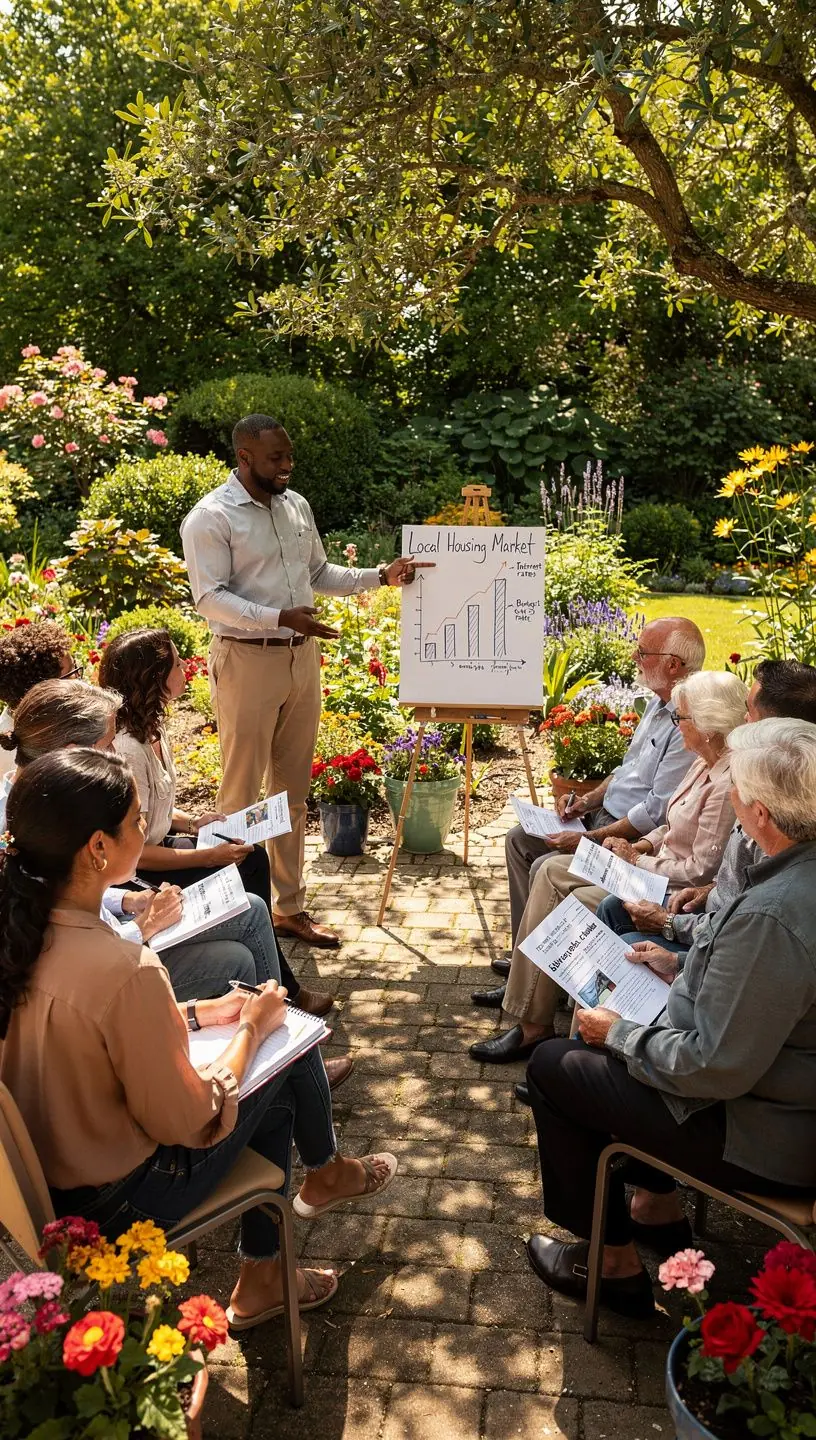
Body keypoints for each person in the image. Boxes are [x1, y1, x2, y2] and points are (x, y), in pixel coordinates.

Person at [0, 749, 396, 1326]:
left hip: (47, 1185)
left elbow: (85, 1033)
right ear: (98, 848)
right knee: (284, 1054)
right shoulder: (124, 968)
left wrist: (197, 1014)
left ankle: (303, 1211)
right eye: (137, 821)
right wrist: (252, 1030)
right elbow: (189, 1119)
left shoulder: (21, 933)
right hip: (121, 1205)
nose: (145, 830)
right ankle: (294, 1223)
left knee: (272, 1059)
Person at [524, 718, 816, 1320]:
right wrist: (680, 967)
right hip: (771, 1100)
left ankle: (612, 1266)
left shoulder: (774, 914)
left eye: (736, 791)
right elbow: (759, 999)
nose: (730, 799)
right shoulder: (793, 873)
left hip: (761, 1133)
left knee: (557, 1066)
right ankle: (656, 1208)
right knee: (603, 1052)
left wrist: (620, 1033)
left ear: (761, 813)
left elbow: (712, 1066)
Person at [0, 678, 353, 1088]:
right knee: (237, 956)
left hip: (115, 945)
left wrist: (126, 903)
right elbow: (65, 958)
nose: (116, 754)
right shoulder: (27, 826)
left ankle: (290, 1058)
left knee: (252, 910)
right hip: (104, 977)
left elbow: (78, 897)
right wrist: (144, 925)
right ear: (72, 750)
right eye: (109, 744)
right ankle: (288, 1068)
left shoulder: (46, 801)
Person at [180, 412, 431, 947]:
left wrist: (379, 577)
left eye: (289, 455)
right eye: (276, 457)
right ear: (244, 456)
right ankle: (230, 915)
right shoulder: (211, 517)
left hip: (301, 658)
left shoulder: (295, 506)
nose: (287, 465)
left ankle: (287, 909)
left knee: (291, 794)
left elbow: (318, 573)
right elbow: (209, 598)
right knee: (240, 795)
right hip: (246, 660)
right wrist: (279, 618)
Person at [97, 628, 334, 1019]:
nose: (186, 667)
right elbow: (136, 853)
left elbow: (154, 812)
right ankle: (280, 991)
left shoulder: (152, 727)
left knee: (250, 857)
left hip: (158, 846)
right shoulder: (128, 749)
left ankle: (270, 982)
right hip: (137, 872)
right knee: (240, 869)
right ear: (154, 678)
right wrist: (208, 856)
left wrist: (194, 823)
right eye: (177, 664)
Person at [496, 617, 705, 982]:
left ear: (673, 664)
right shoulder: (656, 705)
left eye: (643, 652)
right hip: (602, 818)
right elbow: (626, 770)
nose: (634, 657)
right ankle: (524, 958)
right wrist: (586, 801)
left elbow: (655, 812)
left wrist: (589, 838)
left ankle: (536, 978)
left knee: (544, 865)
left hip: (622, 835)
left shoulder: (686, 723)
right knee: (519, 838)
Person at [602, 658, 816, 976]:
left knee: (624, 948)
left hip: (713, 938)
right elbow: (730, 880)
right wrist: (708, 889)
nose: (743, 719)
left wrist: (670, 926)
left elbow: (740, 928)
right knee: (610, 910)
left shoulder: (770, 809)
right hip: (702, 910)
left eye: (750, 711)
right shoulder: (730, 772)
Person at [0, 619, 76, 778]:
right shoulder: (14, 757)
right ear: (38, 691)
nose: (78, 679)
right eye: (70, 674)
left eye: (75, 666)